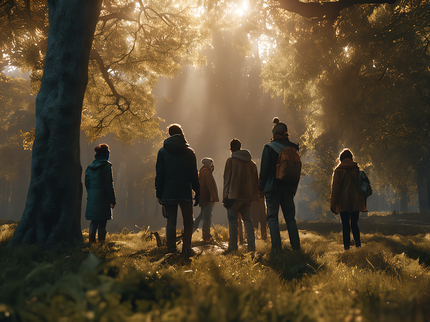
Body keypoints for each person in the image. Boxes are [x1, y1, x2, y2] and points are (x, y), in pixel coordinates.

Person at [155, 124, 200, 258]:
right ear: (181, 134)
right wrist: (197, 192)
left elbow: (160, 174)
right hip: (185, 192)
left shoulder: (162, 152)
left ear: (169, 134)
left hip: (168, 192)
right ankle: (186, 248)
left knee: (171, 220)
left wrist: (159, 193)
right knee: (188, 221)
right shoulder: (190, 152)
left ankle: (171, 249)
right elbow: (194, 175)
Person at [259, 117, 301, 252]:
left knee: (272, 218)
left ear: (274, 134)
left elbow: (264, 171)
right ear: (286, 133)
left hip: (272, 188)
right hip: (289, 187)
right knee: (290, 219)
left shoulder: (268, 148)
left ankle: (277, 250)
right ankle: (296, 249)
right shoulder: (294, 148)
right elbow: (297, 169)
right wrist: (293, 188)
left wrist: (260, 188)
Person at [223, 138, 259, 253]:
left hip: (234, 196)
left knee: (233, 221)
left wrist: (225, 197)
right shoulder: (252, 163)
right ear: (240, 147)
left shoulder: (231, 161)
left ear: (231, 149)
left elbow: (226, 180)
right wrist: (253, 196)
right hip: (248, 197)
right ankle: (252, 248)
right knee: (248, 220)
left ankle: (233, 248)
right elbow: (255, 181)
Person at [330, 149, 367, 250]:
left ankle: (346, 248)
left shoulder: (338, 171)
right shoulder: (357, 170)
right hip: (356, 202)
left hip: (343, 203)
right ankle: (358, 246)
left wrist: (333, 205)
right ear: (351, 158)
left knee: (345, 225)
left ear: (341, 159)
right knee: (354, 224)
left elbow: (335, 190)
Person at [85, 143, 116, 244]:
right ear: (106, 154)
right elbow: (108, 185)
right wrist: (112, 200)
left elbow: (87, 183)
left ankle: (91, 242)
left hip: (92, 196)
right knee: (102, 221)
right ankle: (101, 244)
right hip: (103, 197)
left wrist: (91, 193)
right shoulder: (107, 167)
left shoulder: (90, 167)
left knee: (94, 221)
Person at [194, 157, 219, 242]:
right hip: (207, 198)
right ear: (209, 164)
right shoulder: (207, 172)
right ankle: (206, 236)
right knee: (207, 217)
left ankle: (193, 228)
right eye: (212, 164)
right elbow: (210, 187)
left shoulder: (201, 171)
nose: (213, 166)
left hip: (203, 198)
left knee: (203, 215)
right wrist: (213, 199)